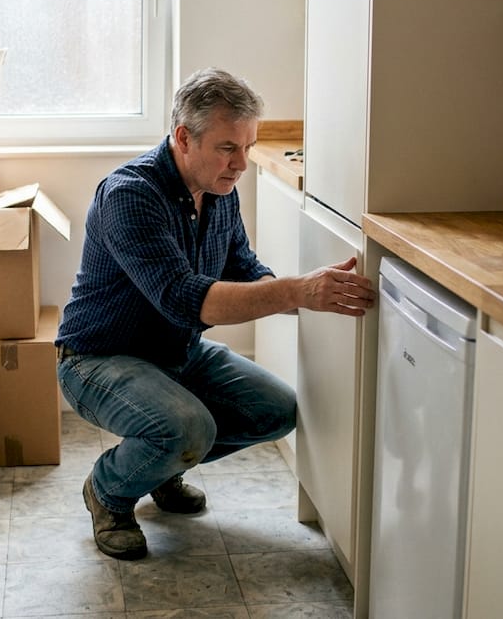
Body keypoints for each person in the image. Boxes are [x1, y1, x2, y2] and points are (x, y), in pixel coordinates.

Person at [54, 68, 376, 560]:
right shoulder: (130, 195)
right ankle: (109, 491)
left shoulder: (219, 190)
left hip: (176, 350)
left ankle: (160, 467)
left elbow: (244, 267)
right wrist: (297, 291)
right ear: (185, 138)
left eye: (248, 147)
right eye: (229, 147)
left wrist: (305, 294)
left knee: (275, 410)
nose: (242, 163)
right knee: (188, 427)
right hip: (97, 359)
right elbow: (185, 298)